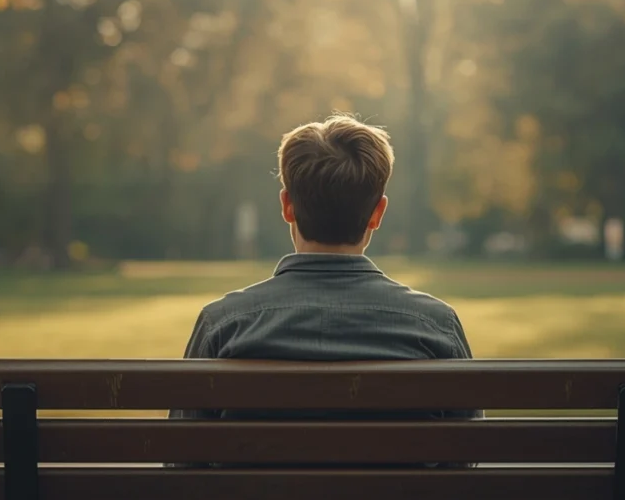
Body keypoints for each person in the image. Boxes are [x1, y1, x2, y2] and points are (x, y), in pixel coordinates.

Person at [169, 113, 479, 423]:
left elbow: (182, 456)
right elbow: (467, 452)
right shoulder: (437, 327)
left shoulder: (224, 325)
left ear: (287, 206)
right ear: (378, 213)